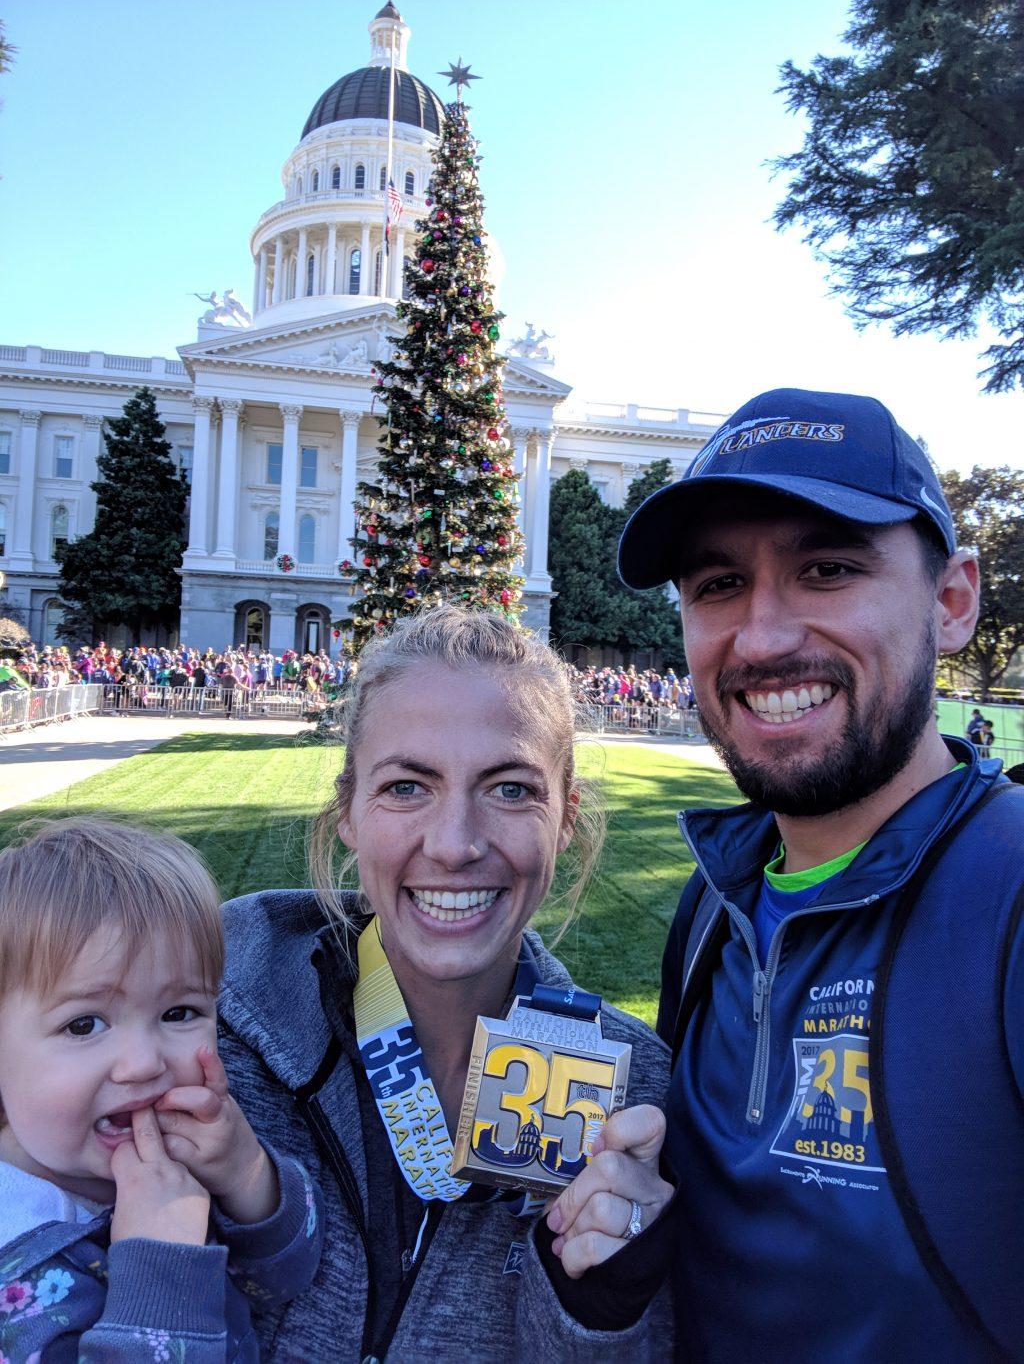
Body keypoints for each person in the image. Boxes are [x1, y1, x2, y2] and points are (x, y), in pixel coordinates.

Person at [606, 388, 1024, 1360]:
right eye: (715, 586)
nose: (760, 637)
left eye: (827, 569)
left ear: (951, 600)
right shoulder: (713, 907)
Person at [217, 604, 673, 1360]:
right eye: (406, 787)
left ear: (566, 818)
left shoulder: (635, 1094)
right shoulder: (211, 1033)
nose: (456, 844)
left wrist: (601, 1300)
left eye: (511, 789)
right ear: (348, 812)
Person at [0, 818, 324, 1359]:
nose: (144, 1063)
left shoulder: (183, 1156)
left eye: (179, 1012)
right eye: (84, 1025)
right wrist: (162, 1262)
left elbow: (283, 1284)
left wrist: (247, 1176)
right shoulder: (16, 1259)